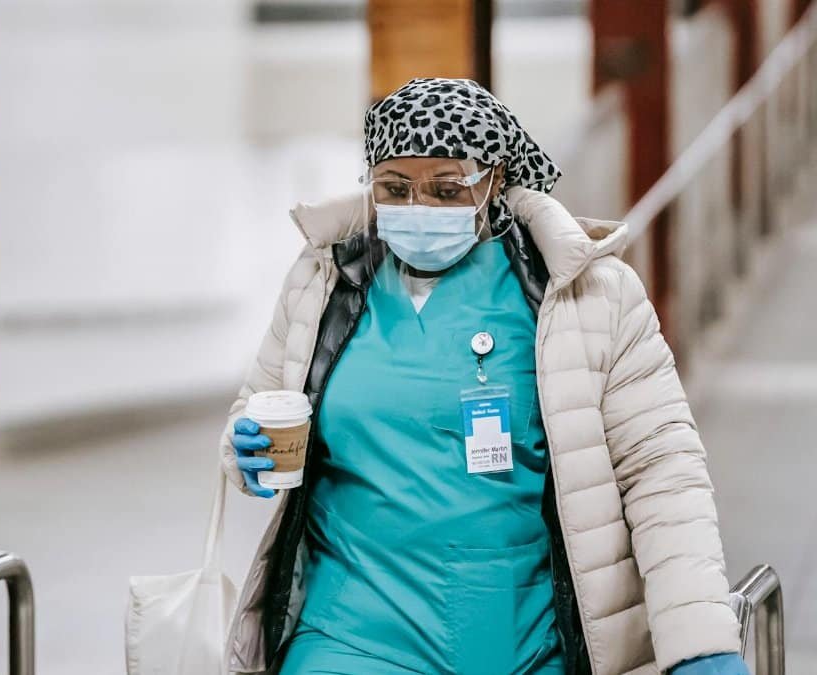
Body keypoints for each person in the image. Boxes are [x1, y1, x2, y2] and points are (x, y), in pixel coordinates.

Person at [218, 78, 748, 675]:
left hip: (527, 644)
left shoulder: (586, 296)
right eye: (394, 188)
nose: (418, 208)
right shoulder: (323, 283)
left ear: (493, 180)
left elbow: (660, 467)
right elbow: (257, 409)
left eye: (447, 190)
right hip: (351, 635)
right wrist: (246, 450)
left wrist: (700, 641)